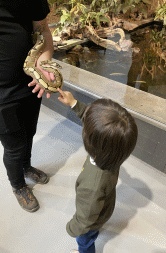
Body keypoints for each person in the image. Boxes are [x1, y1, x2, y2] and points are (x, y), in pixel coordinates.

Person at [0, 0, 55, 212]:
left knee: (29, 132)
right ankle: (18, 186)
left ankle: (26, 167)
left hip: (31, 83)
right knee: (14, 146)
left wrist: (43, 62)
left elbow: (42, 30)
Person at [57, 88, 138, 253]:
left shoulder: (92, 185)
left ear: (91, 141)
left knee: (85, 242)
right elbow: (94, 124)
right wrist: (74, 104)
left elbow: (85, 218)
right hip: (105, 207)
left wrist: (72, 228)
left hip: (91, 222)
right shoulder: (115, 150)